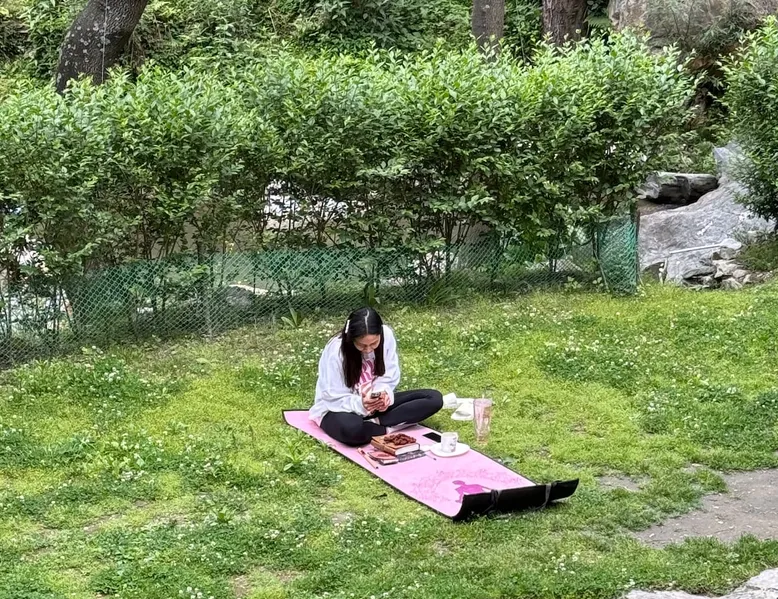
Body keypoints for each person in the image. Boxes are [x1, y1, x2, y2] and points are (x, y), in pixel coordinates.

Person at [310, 307, 443, 447]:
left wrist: (382, 395)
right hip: (339, 408)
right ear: (351, 339)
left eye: (374, 343)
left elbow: (388, 376)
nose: (368, 350)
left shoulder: (387, 336)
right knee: (352, 429)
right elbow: (333, 396)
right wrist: (361, 404)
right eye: (362, 345)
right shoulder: (336, 351)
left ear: (380, 334)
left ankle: (374, 424)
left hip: (374, 406)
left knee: (433, 398)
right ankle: (388, 427)